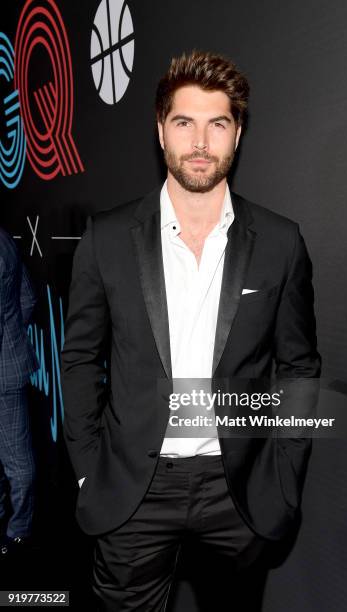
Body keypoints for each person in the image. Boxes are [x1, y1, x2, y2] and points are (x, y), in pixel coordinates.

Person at [61, 50, 321, 611]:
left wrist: (284, 472)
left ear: (237, 133)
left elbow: (299, 366)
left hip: (239, 490)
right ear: (161, 131)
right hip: (131, 487)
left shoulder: (280, 242)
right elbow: (80, 358)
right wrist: (88, 471)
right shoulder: (106, 238)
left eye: (217, 124)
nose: (200, 141)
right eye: (184, 122)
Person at [0, 226, 38, 559]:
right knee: (15, 460)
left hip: (3, 377)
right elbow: (26, 297)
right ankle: (17, 529)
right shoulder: (4, 238)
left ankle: (18, 533)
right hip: (8, 369)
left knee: (17, 464)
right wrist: (12, 339)